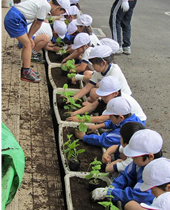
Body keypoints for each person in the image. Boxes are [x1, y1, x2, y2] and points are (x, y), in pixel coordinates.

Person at [92, 129, 163, 208]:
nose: (132, 158)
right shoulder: (139, 162)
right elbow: (126, 175)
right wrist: (112, 187)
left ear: (150, 156)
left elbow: (137, 195)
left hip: (148, 203)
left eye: (135, 156)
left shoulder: (156, 174)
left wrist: (110, 193)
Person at [4, 0, 70, 83]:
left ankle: (26, 69)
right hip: (14, 19)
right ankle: (26, 72)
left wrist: (30, 36)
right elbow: (38, 24)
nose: (60, 15)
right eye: (62, 12)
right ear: (59, 7)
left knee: (27, 44)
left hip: (17, 18)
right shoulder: (46, 6)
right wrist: (30, 37)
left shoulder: (44, 3)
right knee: (28, 45)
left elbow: (36, 21)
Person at [67, 76, 146, 123]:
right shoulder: (110, 97)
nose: (102, 97)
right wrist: (74, 113)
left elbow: (102, 118)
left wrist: (79, 119)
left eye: (105, 96)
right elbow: (92, 106)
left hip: (137, 121)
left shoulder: (120, 103)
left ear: (115, 93)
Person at [75, 97, 144, 148]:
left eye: (111, 116)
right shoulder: (131, 118)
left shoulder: (126, 131)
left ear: (121, 117)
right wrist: (97, 126)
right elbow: (114, 123)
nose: (109, 118)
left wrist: (84, 137)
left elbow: (104, 140)